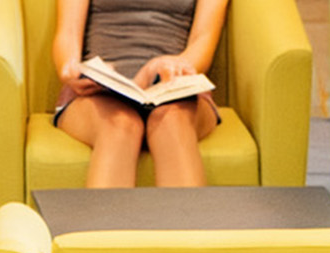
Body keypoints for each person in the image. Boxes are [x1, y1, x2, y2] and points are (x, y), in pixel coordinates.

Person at [52, 0, 230, 187]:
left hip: (174, 85)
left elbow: (203, 38)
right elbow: (68, 33)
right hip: (98, 91)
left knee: (171, 122)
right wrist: (70, 69)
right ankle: (106, 209)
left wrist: (174, 66)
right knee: (119, 124)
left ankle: (186, 208)